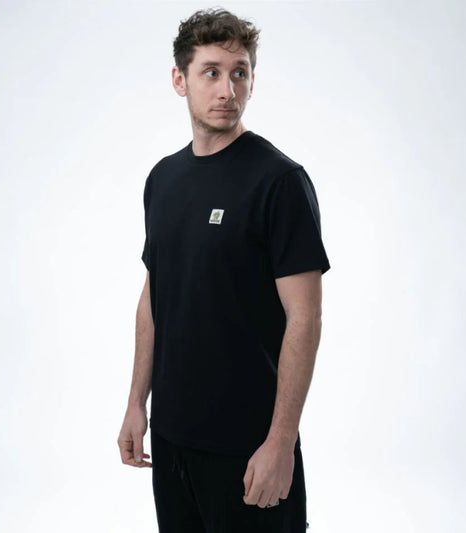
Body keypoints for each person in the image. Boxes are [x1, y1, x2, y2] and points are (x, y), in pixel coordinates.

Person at [117, 8, 330, 532]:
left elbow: (305, 319)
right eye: (211, 72)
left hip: (248, 447)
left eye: (240, 73)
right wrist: (136, 404)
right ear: (180, 79)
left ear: (252, 81)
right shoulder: (163, 179)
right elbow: (154, 297)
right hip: (172, 442)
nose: (227, 90)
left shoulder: (279, 182)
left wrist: (281, 443)